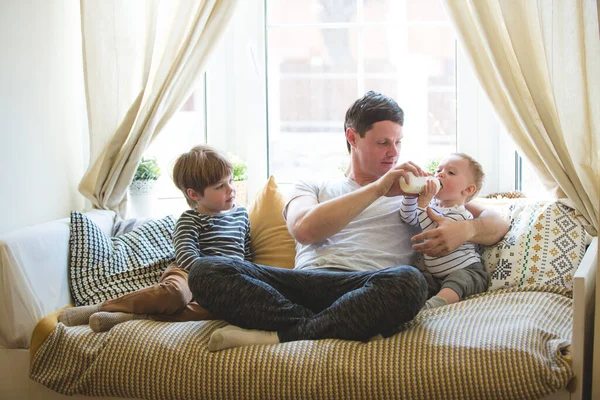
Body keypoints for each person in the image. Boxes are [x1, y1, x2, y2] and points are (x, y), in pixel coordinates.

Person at [187, 90, 510, 352]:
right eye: (383, 142)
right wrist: (379, 188)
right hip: (303, 286)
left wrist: (466, 229)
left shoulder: (418, 189)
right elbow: (305, 229)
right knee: (205, 270)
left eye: (398, 142)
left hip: (370, 287)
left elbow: (498, 221)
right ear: (352, 137)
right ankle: (334, 324)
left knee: (409, 281)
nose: (393, 152)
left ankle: (289, 332)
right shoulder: (312, 185)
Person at [58, 145, 251, 332]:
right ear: (194, 194)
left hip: (226, 280)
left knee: (223, 308)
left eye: (231, 181)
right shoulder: (189, 220)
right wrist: (210, 275)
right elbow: (185, 255)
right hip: (188, 272)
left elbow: (248, 255)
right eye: (220, 186)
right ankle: (102, 308)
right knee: (174, 294)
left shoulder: (241, 215)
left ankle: (133, 318)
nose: (231, 189)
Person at [400, 153, 488, 310]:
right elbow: (409, 218)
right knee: (418, 280)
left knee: (457, 281)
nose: (440, 174)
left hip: (467, 270)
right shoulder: (432, 207)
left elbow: (434, 231)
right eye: (438, 170)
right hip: (435, 276)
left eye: (451, 173)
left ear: (467, 189)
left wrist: (423, 203)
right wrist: (410, 197)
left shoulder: (461, 214)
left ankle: (435, 305)